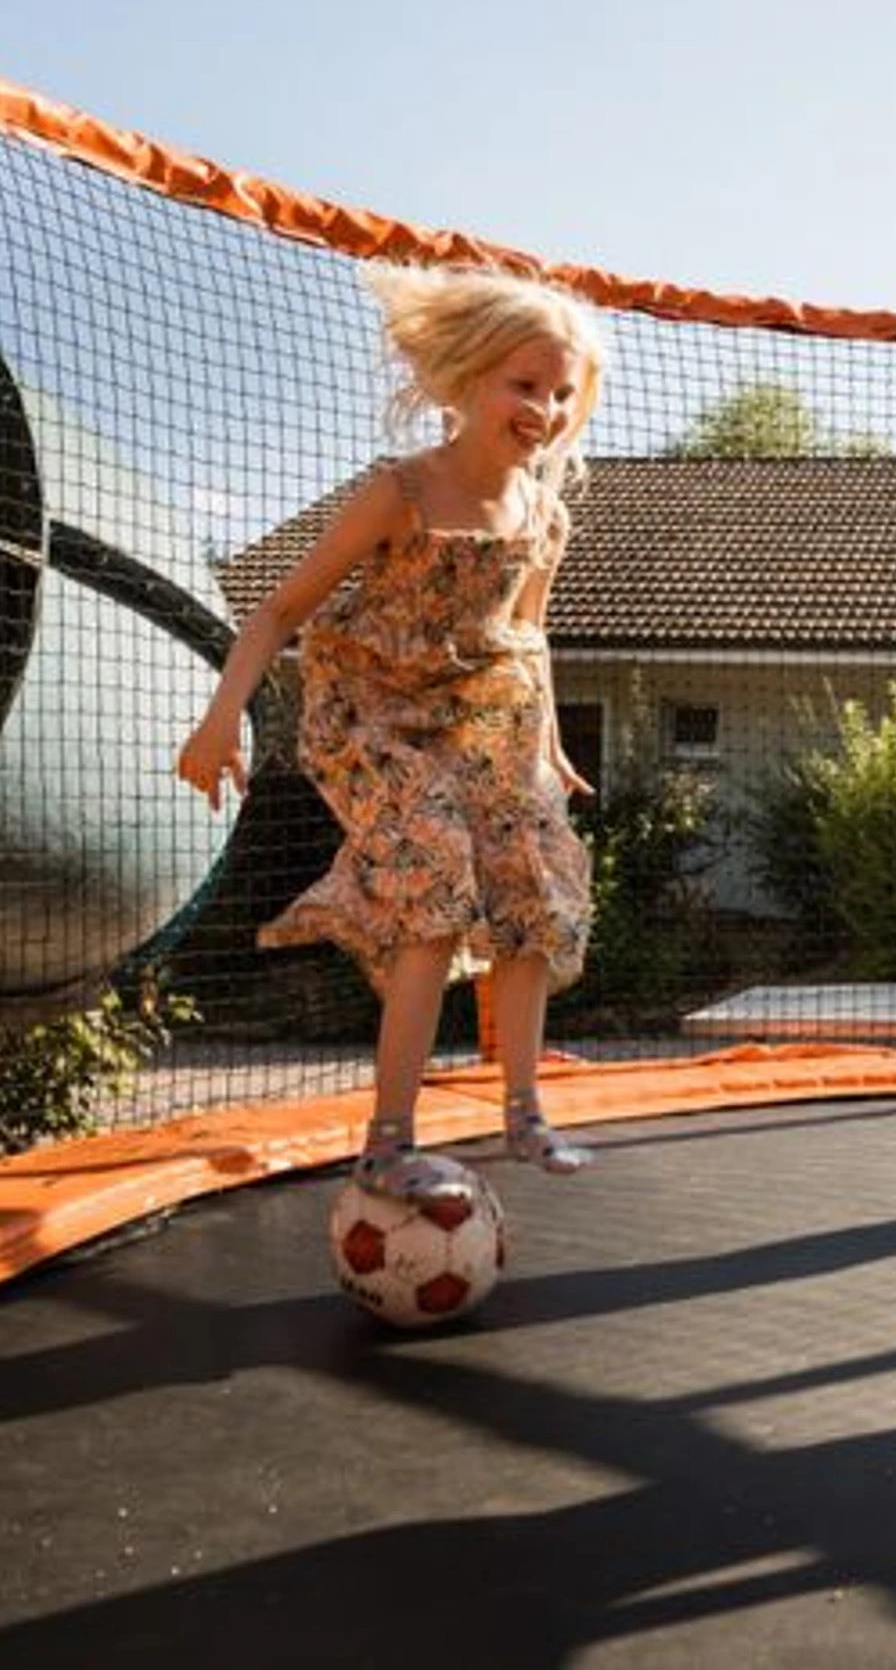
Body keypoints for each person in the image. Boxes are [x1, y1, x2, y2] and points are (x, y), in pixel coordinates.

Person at [178, 262, 607, 1204]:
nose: (543, 409)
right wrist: (222, 718)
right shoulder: (401, 491)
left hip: (480, 713)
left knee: (532, 877)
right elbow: (278, 611)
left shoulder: (546, 515)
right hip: (370, 713)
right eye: (524, 385)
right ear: (466, 378)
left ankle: (524, 1111)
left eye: (560, 393)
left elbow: (528, 634)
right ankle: (388, 1140)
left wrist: (548, 744)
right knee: (439, 869)